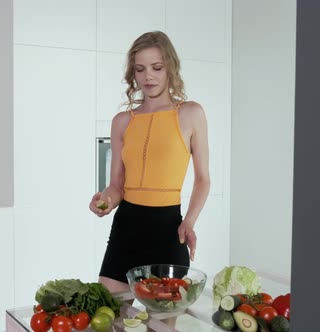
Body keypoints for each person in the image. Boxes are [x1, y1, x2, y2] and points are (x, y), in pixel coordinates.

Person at [89, 31, 211, 294]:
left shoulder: (190, 113)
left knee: (163, 324)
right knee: (111, 319)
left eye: (157, 67)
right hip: (126, 231)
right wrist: (106, 201)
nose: (148, 76)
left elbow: (203, 179)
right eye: (140, 69)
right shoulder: (122, 121)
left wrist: (189, 221)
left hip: (168, 233)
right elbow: (116, 186)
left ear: (170, 68)